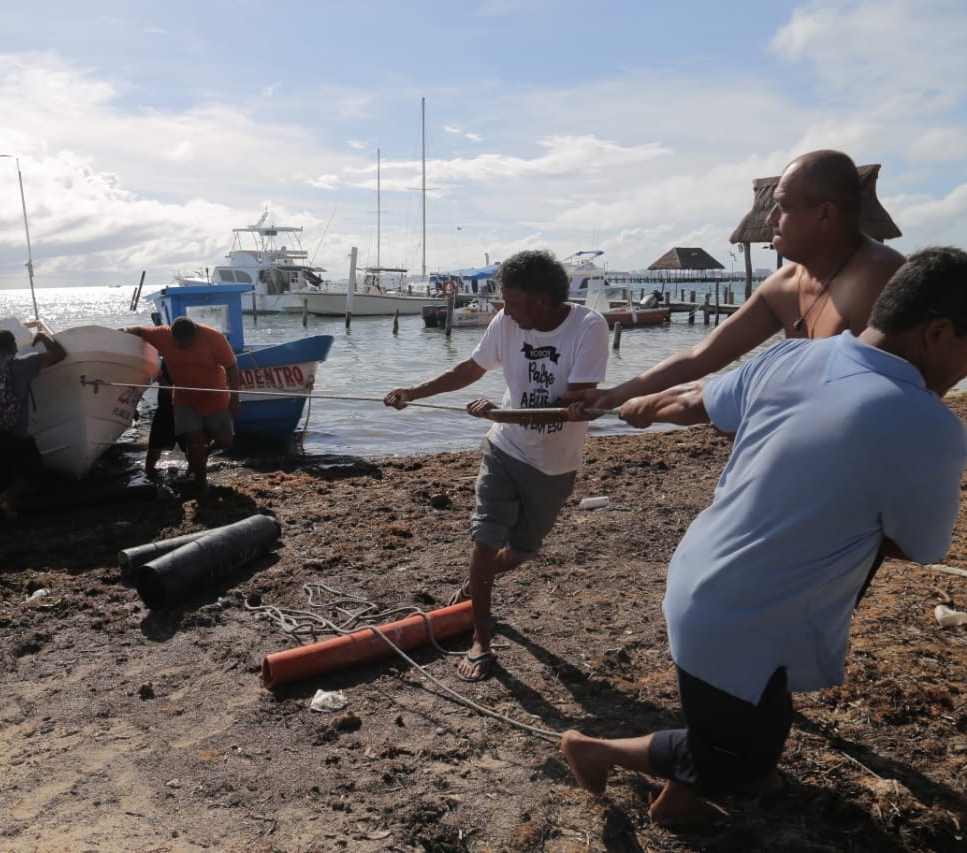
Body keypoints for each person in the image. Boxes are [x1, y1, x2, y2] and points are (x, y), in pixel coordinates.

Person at [559, 247, 967, 825]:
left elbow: (696, 399)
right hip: (745, 614)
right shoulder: (930, 428)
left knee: (758, 714)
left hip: (702, 576)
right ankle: (593, 749)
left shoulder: (793, 357)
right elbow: (922, 547)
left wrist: (634, 403)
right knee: (741, 756)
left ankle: (680, 796)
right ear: (940, 331)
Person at [384, 249, 609, 681]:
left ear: (543, 300)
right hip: (504, 449)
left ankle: (476, 584)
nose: (505, 310)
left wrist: (499, 413)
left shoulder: (589, 327)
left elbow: (572, 405)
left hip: (554, 462)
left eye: (513, 301)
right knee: (485, 537)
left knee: (523, 551)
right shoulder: (507, 322)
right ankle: (481, 639)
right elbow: (471, 368)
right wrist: (414, 391)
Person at [575, 150, 905, 427]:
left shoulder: (878, 281)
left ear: (825, 214)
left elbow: (881, 399)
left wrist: (709, 403)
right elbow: (701, 355)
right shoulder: (785, 283)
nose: (770, 219)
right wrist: (614, 396)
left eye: (784, 207)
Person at [124, 317, 240, 493]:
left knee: (225, 441)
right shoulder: (162, 334)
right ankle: (201, 483)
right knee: (194, 442)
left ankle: (206, 452)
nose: (181, 348)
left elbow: (232, 367)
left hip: (215, 397)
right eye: (178, 344)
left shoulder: (214, 338)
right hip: (184, 398)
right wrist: (121, 333)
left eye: (186, 344)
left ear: (195, 336)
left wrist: (235, 398)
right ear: (171, 335)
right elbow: (138, 330)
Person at [0, 329, 67, 534]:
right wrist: (44, 337)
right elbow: (59, 355)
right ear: (14, 346)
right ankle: (8, 502)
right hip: (12, 432)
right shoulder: (22, 365)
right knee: (32, 466)